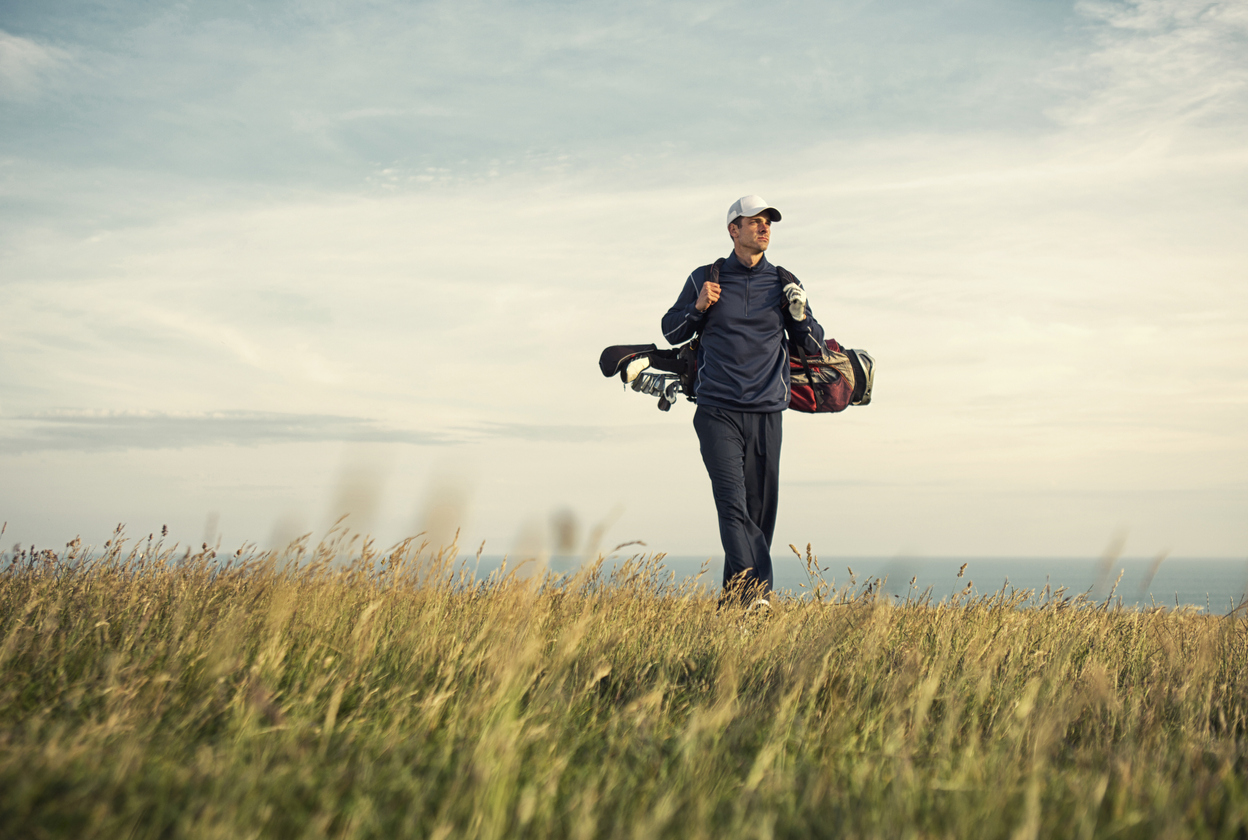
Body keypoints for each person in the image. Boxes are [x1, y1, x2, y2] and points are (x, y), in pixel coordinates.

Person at [661, 195, 826, 606]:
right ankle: (757, 596)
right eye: (755, 221)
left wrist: (800, 315)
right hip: (717, 408)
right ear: (733, 230)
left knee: (759, 515)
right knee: (732, 505)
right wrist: (698, 309)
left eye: (769, 221)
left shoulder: (784, 282)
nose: (764, 227)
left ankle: (735, 608)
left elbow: (814, 344)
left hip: (768, 410)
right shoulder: (706, 277)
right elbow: (671, 331)